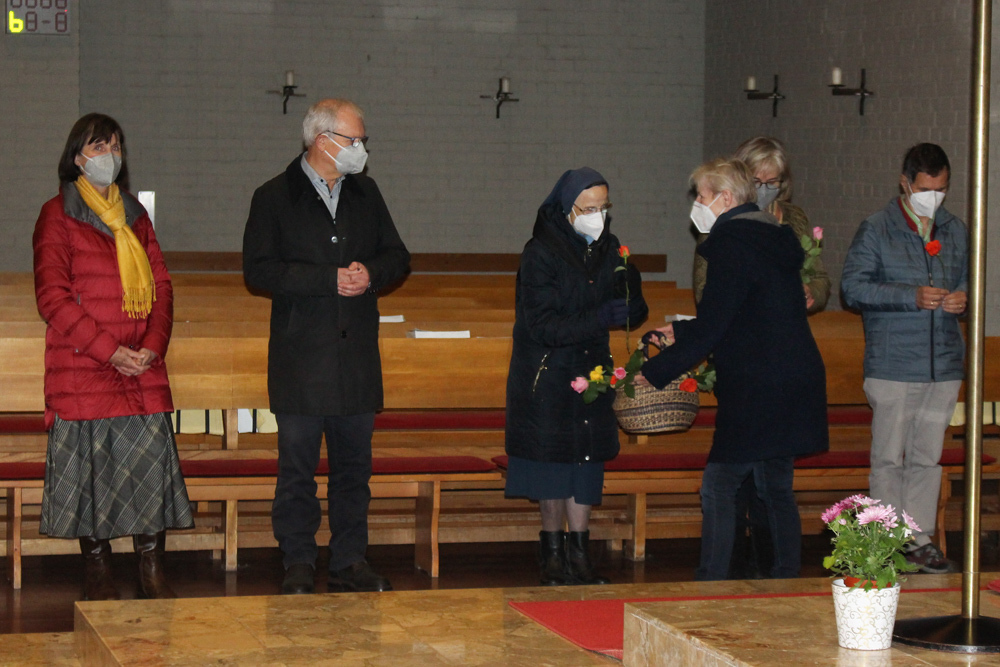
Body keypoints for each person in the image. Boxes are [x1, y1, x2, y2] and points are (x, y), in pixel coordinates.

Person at [243, 99, 410, 595]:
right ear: (323, 141)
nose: (362, 148)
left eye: (362, 140)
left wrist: (370, 273)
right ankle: (297, 559)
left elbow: (398, 256)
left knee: (353, 470)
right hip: (301, 358)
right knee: (297, 470)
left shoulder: (366, 192)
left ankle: (349, 560)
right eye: (354, 139)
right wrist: (326, 279)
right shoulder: (274, 196)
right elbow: (258, 270)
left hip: (355, 358)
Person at [639, 157, 828, 581]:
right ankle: (785, 580)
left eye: (701, 196)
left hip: (758, 384)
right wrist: (680, 331)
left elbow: (716, 324)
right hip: (790, 376)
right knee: (774, 487)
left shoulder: (731, 243)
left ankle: (712, 582)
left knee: (719, 486)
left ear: (725, 199)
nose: (697, 204)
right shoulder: (771, 237)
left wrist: (653, 373)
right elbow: (746, 312)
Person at [33, 113, 193, 601]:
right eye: (99, 146)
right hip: (85, 368)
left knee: (148, 473)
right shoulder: (57, 214)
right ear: (76, 156)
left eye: (116, 146)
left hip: (140, 369)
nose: (110, 155)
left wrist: (151, 347)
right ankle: (98, 572)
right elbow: (53, 297)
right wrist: (110, 351)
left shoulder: (136, 215)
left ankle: (151, 569)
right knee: (92, 478)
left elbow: (161, 285)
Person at [693, 137, 831, 579]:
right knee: (761, 484)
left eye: (775, 180)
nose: (768, 187)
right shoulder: (734, 233)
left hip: (761, 370)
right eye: (760, 179)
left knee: (734, 482)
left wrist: (808, 293)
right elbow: (712, 297)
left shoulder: (782, 225)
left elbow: (817, 277)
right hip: (765, 363)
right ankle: (763, 570)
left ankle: (729, 577)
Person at [504, 167, 647, 586]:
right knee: (552, 465)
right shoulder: (540, 253)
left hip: (591, 371)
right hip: (547, 375)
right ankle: (552, 553)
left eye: (603, 207)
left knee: (585, 463)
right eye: (588, 209)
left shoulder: (610, 249)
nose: (597, 216)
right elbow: (542, 326)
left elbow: (632, 308)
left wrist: (632, 302)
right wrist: (597, 317)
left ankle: (580, 554)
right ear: (566, 209)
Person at [841, 143, 966, 574]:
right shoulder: (877, 228)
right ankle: (885, 539)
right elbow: (853, 288)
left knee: (927, 458)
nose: (934, 197)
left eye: (941, 189)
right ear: (905, 183)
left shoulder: (955, 229)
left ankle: (919, 538)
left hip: (942, 363)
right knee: (889, 458)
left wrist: (962, 298)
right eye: (926, 189)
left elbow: (969, 280)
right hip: (893, 363)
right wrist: (910, 296)